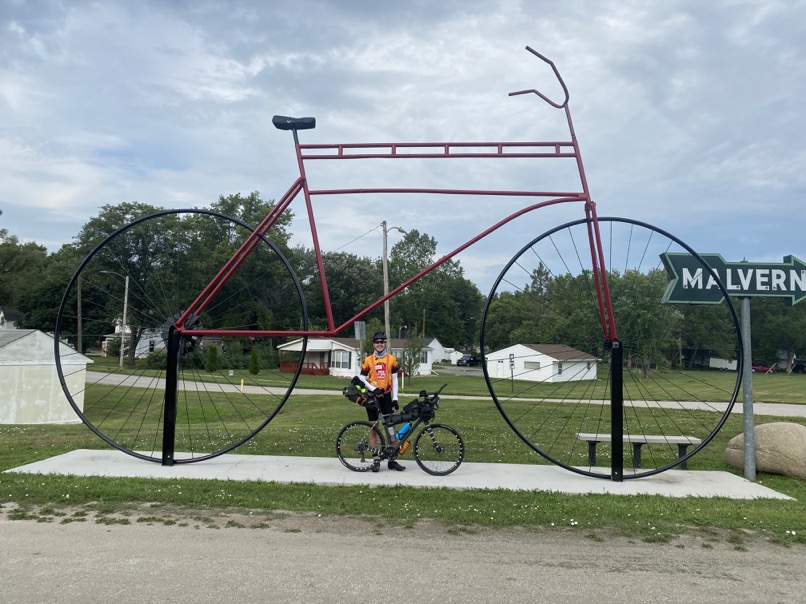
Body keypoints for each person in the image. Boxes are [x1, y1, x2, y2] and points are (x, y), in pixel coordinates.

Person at [356, 331, 405, 472]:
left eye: (382, 342)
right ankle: (376, 459)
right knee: (373, 427)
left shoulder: (392, 359)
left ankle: (392, 459)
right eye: (377, 342)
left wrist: (395, 398)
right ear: (373, 343)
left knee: (391, 427)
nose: (379, 344)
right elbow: (362, 379)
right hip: (371, 397)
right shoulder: (368, 360)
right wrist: (373, 388)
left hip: (386, 396)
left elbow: (395, 379)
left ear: (385, 343)